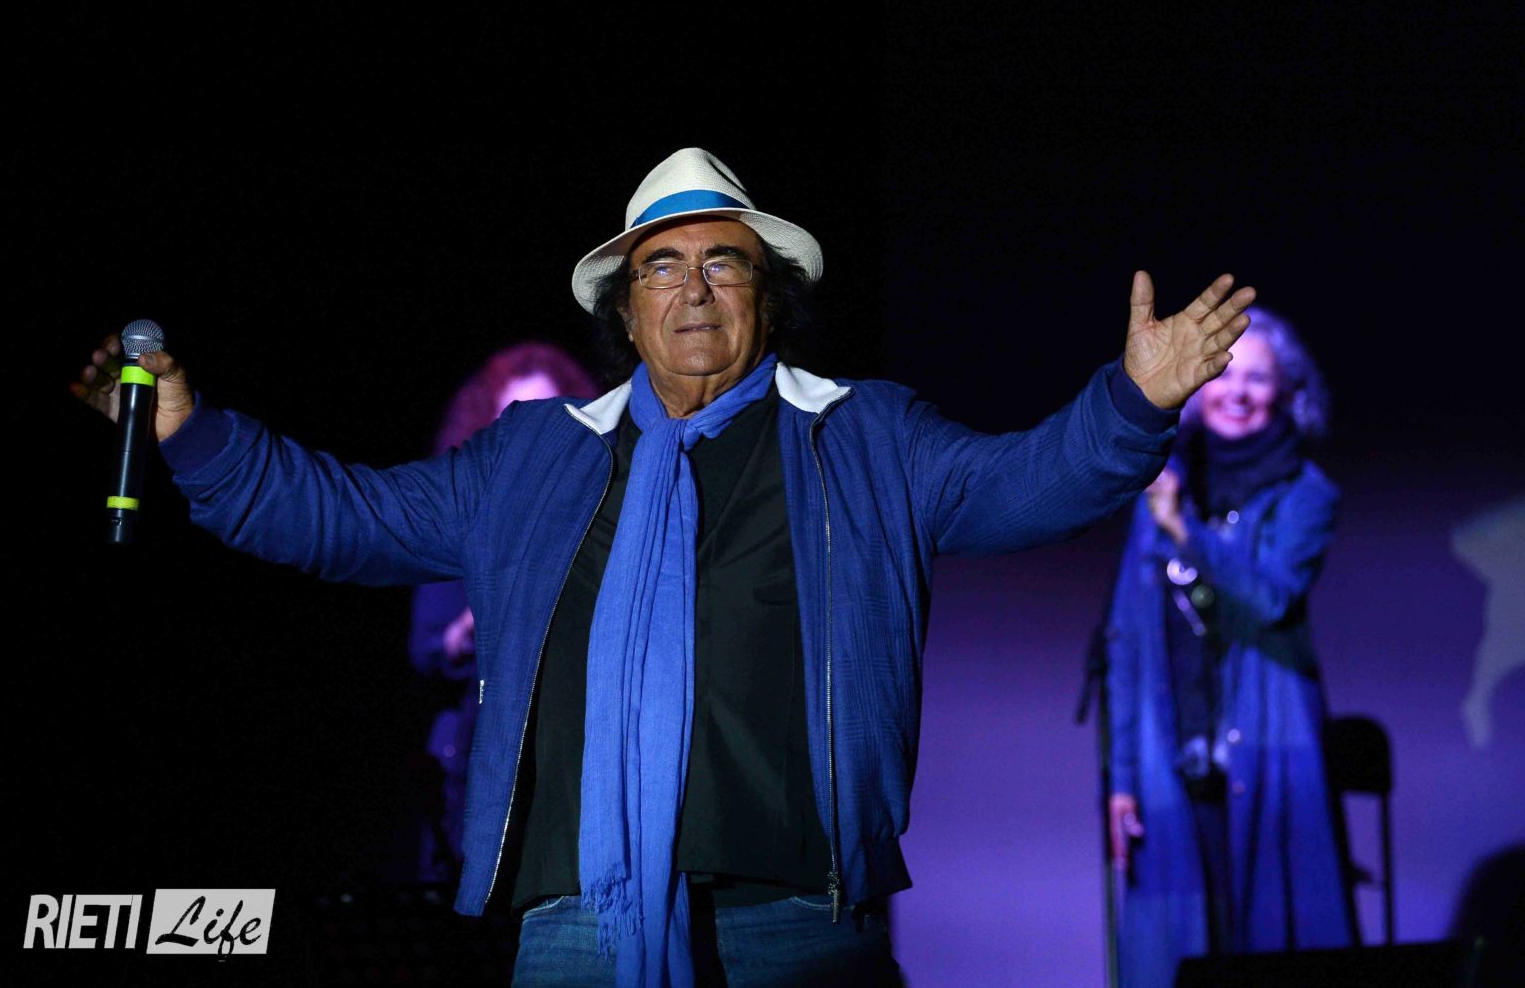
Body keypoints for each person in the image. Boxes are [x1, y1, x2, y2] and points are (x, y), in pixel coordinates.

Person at [74, 147, 1254, 987]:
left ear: (768, 299)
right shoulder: (534, 458)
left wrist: (1133, 400)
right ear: (627, 311)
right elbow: (339, 516)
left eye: (724, 263)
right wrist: (188, 431)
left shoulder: (863, 435)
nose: (692, 288)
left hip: (797, 925)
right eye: (661, 266)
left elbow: (1025, 485)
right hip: (577, 931)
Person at [1103, 308, 1353, 988]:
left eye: (1258, 378)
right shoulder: (1163, 487)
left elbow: (1272, 599)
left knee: (1267, 944)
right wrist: (1122, 779)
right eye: (1223, 374)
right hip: (1170, 754)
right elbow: (1126, 640)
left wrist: (1186, 531)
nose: (1237, 392)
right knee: (1179, 950)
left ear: (1287, 393)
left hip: (1269, 746)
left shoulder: (1306, 495)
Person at [409, 343, 597, 883]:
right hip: (475, 755)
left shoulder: (601, 511)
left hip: (574, 758)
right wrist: (468, 629)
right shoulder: (462, 517)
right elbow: (426, 647)